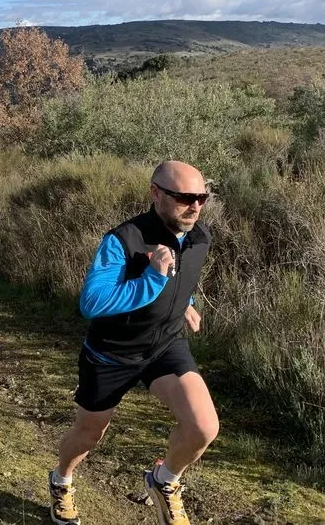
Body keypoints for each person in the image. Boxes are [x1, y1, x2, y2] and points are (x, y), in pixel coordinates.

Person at [48, 161, 216, 525]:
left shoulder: (199, 236)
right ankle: (61, 480)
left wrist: (185, 302)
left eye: (202, 197)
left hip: (164, 346)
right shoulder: (124, 239)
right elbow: (92, 302)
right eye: (185, 197)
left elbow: (181, 276)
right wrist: (152, 280)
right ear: (155, 193)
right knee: (90, 433)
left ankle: (164, 481)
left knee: (203, 427)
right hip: (112, 352)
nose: (195, 206)